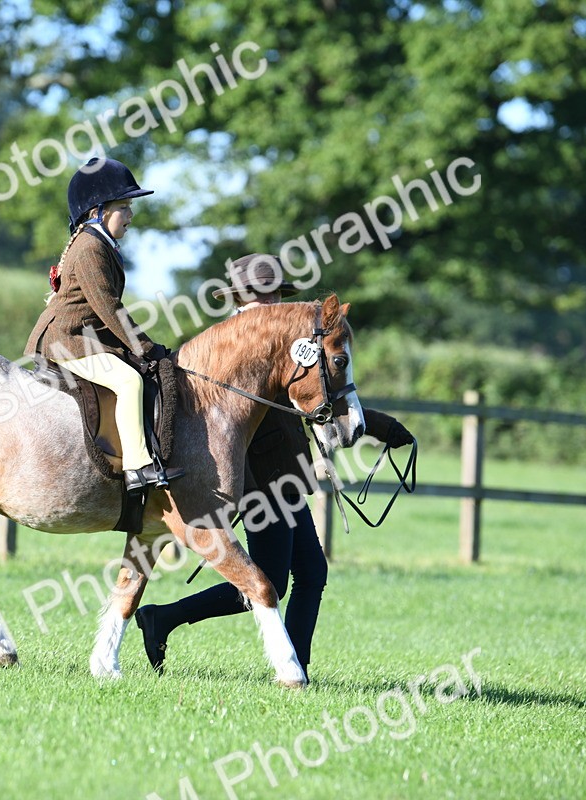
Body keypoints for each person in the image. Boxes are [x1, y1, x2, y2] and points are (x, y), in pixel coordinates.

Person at [134, 253, 413, 681]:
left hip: (285, 473)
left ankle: (296, 661)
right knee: (271, 582)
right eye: (265, 293)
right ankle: (165, 618)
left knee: (312, 574)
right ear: (246, 295)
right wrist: (375, 423)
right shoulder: (236, 343)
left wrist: (373, 424)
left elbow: (310, 395)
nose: (274, 301)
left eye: (276, 293)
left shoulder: (280, 339)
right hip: (258, 478)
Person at [25, 156, 184, 493]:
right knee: (128, 381)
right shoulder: (90, 248)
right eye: (124, 207)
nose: (130, 215)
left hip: (82, 338)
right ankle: (137, 467)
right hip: (66, 341)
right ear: (98, 210)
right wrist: (147, 348)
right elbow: (109, 309)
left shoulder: (98, 242)